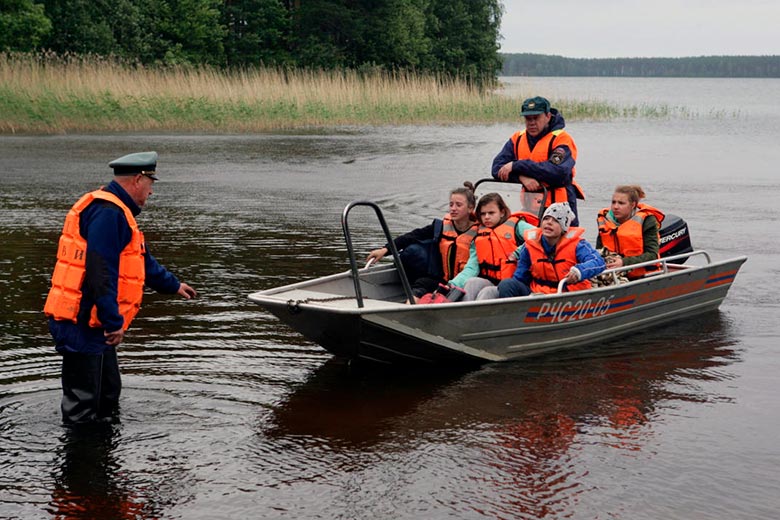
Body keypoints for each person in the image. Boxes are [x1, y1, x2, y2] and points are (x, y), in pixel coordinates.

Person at [44, 151, 198, 425]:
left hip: (94, 321)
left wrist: (173, 285)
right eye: (151, 184)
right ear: (138, 180)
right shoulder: (108, 213)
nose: (151, 192)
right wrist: (113, 321)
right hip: (83, 322)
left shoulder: (117, 211)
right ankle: (82, 463)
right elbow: (99, 273)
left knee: (107, 395)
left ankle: (103, 457)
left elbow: (141, 261)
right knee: (82, 407)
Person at [366, 183, 478, 301]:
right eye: (451, 204)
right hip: (442, 280)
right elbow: (412, 236)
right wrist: (386, 249)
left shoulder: (480, 234)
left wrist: (451, 286)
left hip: (465, 282)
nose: (453, 209)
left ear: (470, 208)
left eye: (458, 205)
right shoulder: (441, 227)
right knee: (421, 285)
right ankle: (408, 312)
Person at [491, 96, 585, 225]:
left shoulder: (561, 139)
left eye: (536, 118)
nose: (532, 123)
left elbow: (556, 171)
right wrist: (522, 178)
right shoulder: (518, 138)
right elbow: (497, 168)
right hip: (529, 207)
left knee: (565, 244)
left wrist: (517, 165)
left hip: (560, 208)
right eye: (528, 119)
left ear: (547, 116)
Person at [498, 202, 605, 297]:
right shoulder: (529, 247)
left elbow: (598, 262)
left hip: (569, 294)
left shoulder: (578, 245)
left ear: (564, 228)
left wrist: (578, 272)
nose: (549, 222)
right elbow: (521, 276)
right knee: (507, 285)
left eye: (556, 220)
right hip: (538, 293)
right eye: (546, 218)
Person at [446, 192, 537, 301]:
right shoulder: (480, 235)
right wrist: (453, 284)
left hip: (514, 284)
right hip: (492, 281)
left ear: (502, 212)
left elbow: (538, 236)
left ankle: (480, 316)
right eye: (483, 214)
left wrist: (518, 252)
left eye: (491, 213)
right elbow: (471, 268)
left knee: (487, 291)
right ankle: (463, 313)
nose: (487, 217)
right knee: (472, 282)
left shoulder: (516, 226)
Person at [596, 185, 665, 279]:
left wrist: (623, 262)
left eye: (621, 203)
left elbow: (652, 255)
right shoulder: (604, 220)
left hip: (641, 275)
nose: (615, 207)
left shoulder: (647, 220)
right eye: (613, 202)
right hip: (612, 273)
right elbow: (599, 250)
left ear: (633, 205)